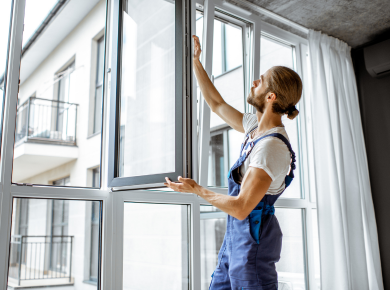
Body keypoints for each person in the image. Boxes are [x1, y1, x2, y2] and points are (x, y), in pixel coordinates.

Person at [164, 35, 302, 290]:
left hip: (254, 246)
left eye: (260, 82)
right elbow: (216, 104)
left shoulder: (271, 147)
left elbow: (241, 208)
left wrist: (197, 190)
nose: (254, 83)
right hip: (235, 241)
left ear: (270, 96)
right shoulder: (254, 128)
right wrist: (196, 61)